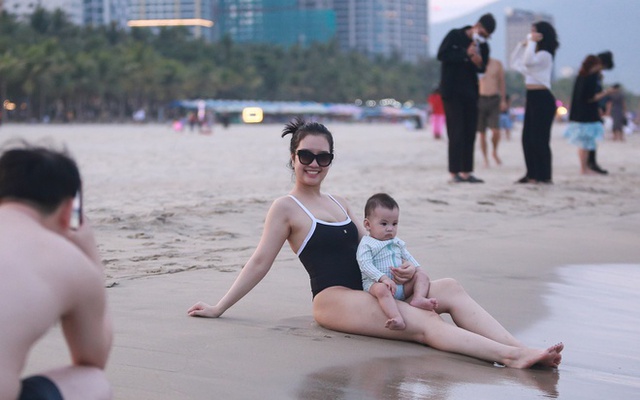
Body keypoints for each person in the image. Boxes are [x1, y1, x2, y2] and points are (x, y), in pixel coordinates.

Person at [187, 118, 564, 369]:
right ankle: (512, 357)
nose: (313, 163)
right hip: (334, 299)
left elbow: (372, 248)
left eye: (323, 156)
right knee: (422, 321)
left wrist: (405, 270)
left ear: (331, 160)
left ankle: (523, 347)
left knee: (449, 288)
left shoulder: (340, 203)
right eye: (306, 155)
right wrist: (220, 307)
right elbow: (259, 262)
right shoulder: (286, 207)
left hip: (372, 289)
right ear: (293, 158)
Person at [0, 143, 113, 400]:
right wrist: (91, 256)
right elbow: (94, 357)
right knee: (93, 383)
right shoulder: (69, 261)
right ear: (68, 212)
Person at [356, 193, 438, 331]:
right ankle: (396, 317)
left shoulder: (396, 242)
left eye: (394, 224)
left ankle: (418, 298)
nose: (390, 228)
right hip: (376, 284)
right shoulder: (367, 244)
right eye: (384, 224)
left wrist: (416, 268)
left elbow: (409, 257)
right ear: (367, 224)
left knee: (422, 275)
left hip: (401, 285)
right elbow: (364, 265)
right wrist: (383, 279)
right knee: (381, 289)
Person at [437, 13, 496, 183]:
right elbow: (442, 55)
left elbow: (482, 68)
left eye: (487, 36)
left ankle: (466, 171)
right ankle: (454, 172)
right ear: (476, 25)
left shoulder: (484, 46)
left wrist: (478, 62)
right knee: (456, 131)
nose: (483, 37)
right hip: (451, 92)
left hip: (471, 93)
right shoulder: (455, 35)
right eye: (482, 33)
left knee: (470, 132)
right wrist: (465, 53)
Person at [510, 21, 559, 184]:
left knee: (540, 139)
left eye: (534, 32)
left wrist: (530, 43)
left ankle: (544, 175)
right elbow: (516, 63)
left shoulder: (545, 55)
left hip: (543, 98)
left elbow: (528, 62)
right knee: (527, 138)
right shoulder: (534, 54)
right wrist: (520, 45)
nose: (530, 35)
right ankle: (531, 173)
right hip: (531, 97)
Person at [563, 55, 614, 174]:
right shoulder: (588, 78)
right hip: (586, 115)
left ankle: (584, 168)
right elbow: (590, 97)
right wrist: (607, 92)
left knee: (584, 143)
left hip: (579, 114)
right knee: (585, 143)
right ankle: (584, 168)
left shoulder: (581, 76)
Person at [587, 51, 615, 173]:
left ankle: (591, 162)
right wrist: (607, 92)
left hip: (595, 109)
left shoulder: (595, 76)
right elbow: (591, 95)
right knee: (590, 138)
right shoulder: (592, 76)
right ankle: (589, 164)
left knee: (593, 138)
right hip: (590, 110)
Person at [476, 58, 507, 167]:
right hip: (480, 99)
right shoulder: (477, 62)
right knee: (482, 133)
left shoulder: (497, 64)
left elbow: (502, 83)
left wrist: (503, 100)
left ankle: (494, 151)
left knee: (496, 131)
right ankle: (485, 158)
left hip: (494, 99)